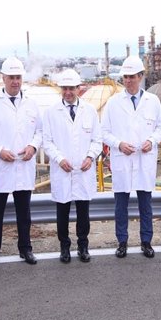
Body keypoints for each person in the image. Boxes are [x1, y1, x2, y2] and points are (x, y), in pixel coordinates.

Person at [0, 57, 41, 268]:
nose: (15, 81)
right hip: (1, 167)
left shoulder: (31, 103)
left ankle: (26, 248)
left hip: (23, 164)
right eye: (11, 77)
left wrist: (32, 146)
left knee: (24, 213)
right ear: (3, 78)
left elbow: (39, 131)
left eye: (18, 77)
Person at [101, 55, 161, 258]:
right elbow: (104, 132)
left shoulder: (152, 101)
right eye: (125, 77)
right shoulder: (113, 103)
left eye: (132, 76)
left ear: (140, 77)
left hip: (144, 160)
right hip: (123, 160)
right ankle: (122, 242)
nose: (128, 80)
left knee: (145, 205)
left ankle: (146, 242)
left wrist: (152, 141)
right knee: (121, 206)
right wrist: (119, 144)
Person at [42, 68, 102, 263]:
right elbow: (47, 141)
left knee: (83, 211)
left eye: (72, 88)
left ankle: (83, 245)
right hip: (63, 170)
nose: (68, 92)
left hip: (83, 170)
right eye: (65, 89)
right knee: (63, 212)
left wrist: (90, 157)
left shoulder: (90, 111)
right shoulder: (51, 112)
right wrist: (59, 158)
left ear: (79, 88)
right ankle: (64, 246)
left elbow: (97, 140)